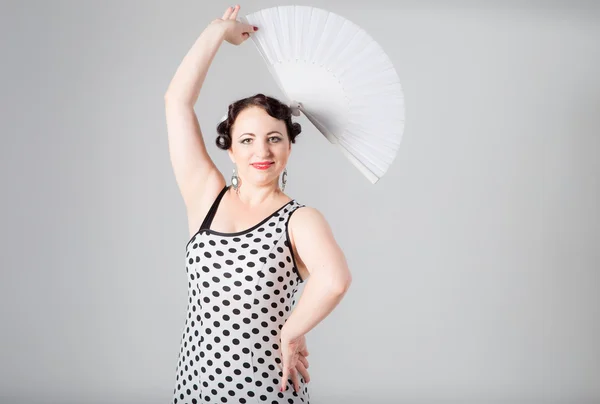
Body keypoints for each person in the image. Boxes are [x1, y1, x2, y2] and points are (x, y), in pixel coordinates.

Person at [164, 5, 352, 403]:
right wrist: (218, 31)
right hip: (194, 385)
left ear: (289, 145)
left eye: (274, 138)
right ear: (229, 149)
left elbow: (334, 281)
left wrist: (292, 330)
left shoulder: (299, 219)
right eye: (247, 139)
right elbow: (176, 101)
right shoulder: (207, 198)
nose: (261, 150)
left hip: (264, 389)